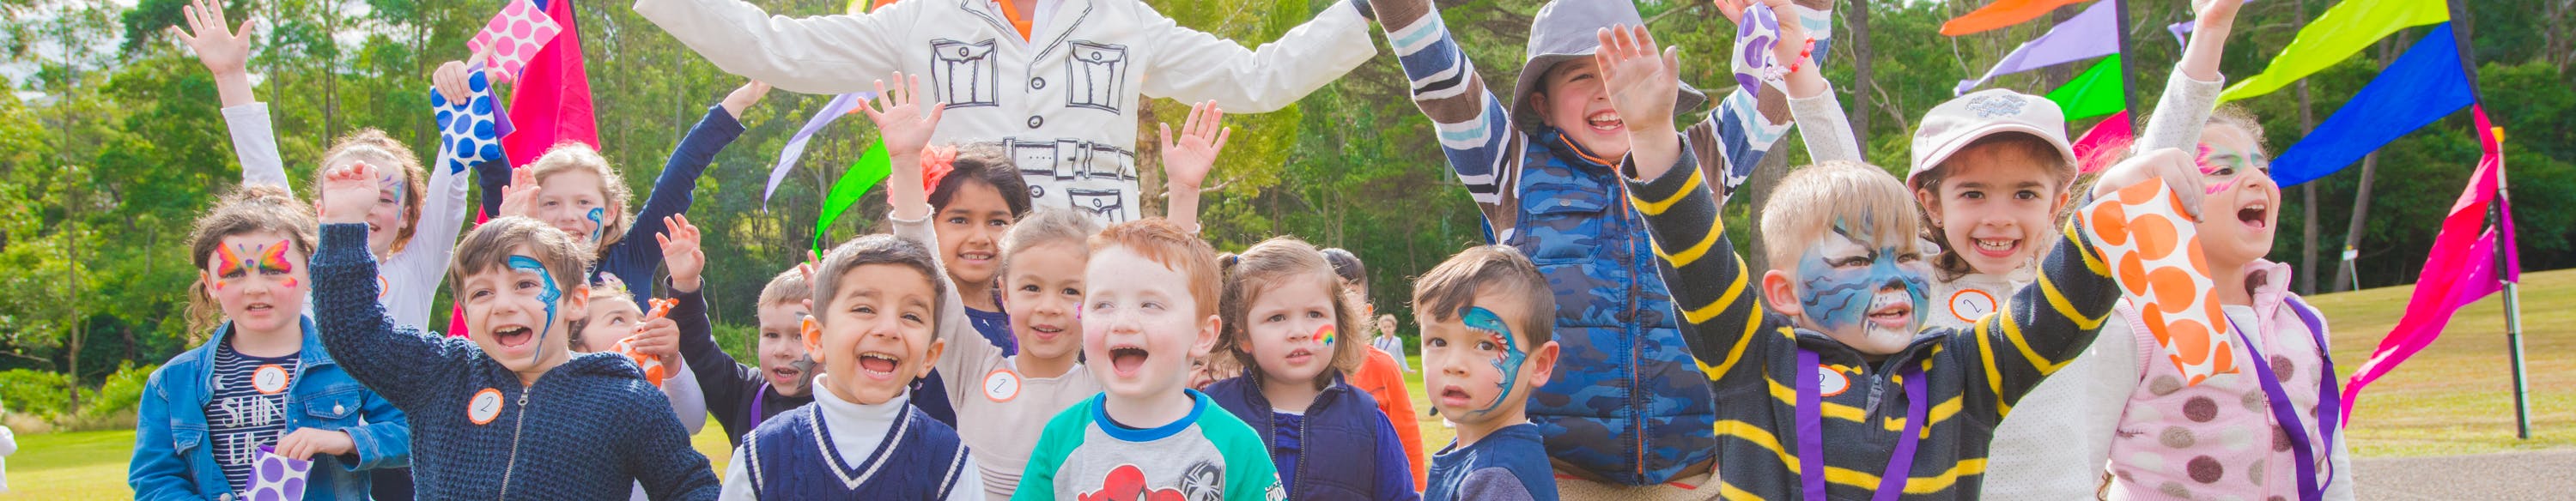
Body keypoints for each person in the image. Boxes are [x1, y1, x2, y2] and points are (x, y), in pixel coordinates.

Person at [1365, 0, 1814, 487]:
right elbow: (1441, 82)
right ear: (1542, 103)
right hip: (1556, 480)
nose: (1611, 93)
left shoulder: (1700, 158)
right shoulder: (1510, 165)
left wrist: (1800, 13)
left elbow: (1789, 78)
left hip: (1695, 480)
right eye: (1582, 76)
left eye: (1625, 70)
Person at [1978, 1, 2358, 498]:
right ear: (2164, 196)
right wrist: (2211, 30)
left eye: (2262, 169)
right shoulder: (2129, 326)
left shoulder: (2303, 320)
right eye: (2222, 170)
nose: (2254, 180)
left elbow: (2331, 457)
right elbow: (2078, 463)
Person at [629, 0, 1378, 223]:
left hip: (1095, 248)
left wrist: (1367, 10)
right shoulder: (916, 20)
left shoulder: (1125, 18)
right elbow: (775, 48)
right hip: (969, 251)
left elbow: (1254, 79)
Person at [310, 161, 720, 498]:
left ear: (575, 301)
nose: (503, 304)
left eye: (525, 285)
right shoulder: (441, 375)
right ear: (467, 317)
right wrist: (345, 223)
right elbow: (352, 331)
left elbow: (690, 486)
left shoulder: (625, 400)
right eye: (482, 293)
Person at [131, 186, 411, 500]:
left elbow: (412, 433)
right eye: (234, 273)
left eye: (275, 270)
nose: (254, 288)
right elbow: (155, 479)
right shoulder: (173, 383)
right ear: (209, 283)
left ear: (310, 272)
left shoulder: (351, 362)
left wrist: (344, 440)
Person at [1013, 219, 1284, 501]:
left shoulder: (1236, 446)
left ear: (1203, 335)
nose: (1123, 322)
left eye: (1150, 305)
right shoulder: (1061, 437)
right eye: (1103, 304)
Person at [716, 233, 983, 499]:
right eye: (864, 309)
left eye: (911, 316)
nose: (889, 329)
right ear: (816, 338)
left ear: (929, 355)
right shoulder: (760, 457)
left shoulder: (949, 462)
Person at [489, 81, 769, 308]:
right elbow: (489, 165)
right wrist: (472, 91)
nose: (567, 216)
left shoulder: (633, 254)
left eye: (583, 202)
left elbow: (679, 175)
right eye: (550, 203)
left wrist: (738, 102)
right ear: (531, 209)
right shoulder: (511, 260)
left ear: (611, 211)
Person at [1204, 238, 1420, 500]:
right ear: (1243, 337)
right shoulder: (1212, 412)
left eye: (1315, 314)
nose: (1299, 332)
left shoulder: (1367, 419)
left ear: (1340, 324)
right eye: (1277, 318)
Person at [1411, 245, 1563, 501]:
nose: (1454, 364)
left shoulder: (1496, 479)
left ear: (1540, 364)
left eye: (1486, 345)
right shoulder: (1481, 458)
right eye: (1438, 342)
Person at [683, 264, 818, 447]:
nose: (781, 350)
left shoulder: (852, 405)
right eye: (772, 335)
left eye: (800, 336)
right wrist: (685, 284)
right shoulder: (744, 394)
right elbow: (698, 351)